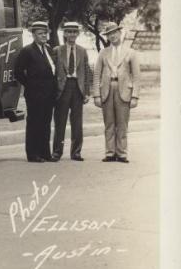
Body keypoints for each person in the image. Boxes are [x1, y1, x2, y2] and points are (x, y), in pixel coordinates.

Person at [93, 22, 141, 163]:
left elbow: (137, 77)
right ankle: (110, 153)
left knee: (122, 124)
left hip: (124, 91)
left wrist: (135, 96)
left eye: (114, 33)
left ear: (120, 33)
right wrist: (96, 94)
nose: (112, 36)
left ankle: (121, 153)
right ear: (107, 37)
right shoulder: (103, 52)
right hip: (107, 90)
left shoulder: (130, 52)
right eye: (109, 34)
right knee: (109, 123)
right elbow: (97, 74)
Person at [13, 20, 58, 162]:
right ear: (33, 35)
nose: (44, 36)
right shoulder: (27, 51)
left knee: (46, 123)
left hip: (49, 94)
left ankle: (45, 153)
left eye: (45, 33)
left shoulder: (49, 49)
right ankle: (33, 154)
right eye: (40, 33)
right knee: (34, 123)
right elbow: (18, 72)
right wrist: (30, 85)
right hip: (35, 95)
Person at [52, 20, 93, 161]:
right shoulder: (58, 50)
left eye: (74, 32)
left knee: (77, 122)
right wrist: (53, 91)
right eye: (69, 32)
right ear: (64, 33)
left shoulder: (82, 51)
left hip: (77, 88)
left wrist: (87, 92)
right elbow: (52, 72)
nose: (72, 34)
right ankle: (57, 152)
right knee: (60, 122)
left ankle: (76, 152)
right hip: (62, 89)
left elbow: (87, 72)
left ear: (78, 34)